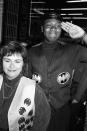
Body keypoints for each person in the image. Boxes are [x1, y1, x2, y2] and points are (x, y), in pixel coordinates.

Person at [27, 10, 87, 131]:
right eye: (49, 25)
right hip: (37, 109)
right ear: (42, 29)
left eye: (57, 26)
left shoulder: (73, 50)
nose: (53, 28)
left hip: (62, 110)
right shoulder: (31, 52)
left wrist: (84, 36)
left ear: (62, 29)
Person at [0, 41, 51, 131]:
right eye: (7, 60)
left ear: (23, 64)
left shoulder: (33, 89)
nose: (12, 65)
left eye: (17, 61)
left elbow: (43, 119)